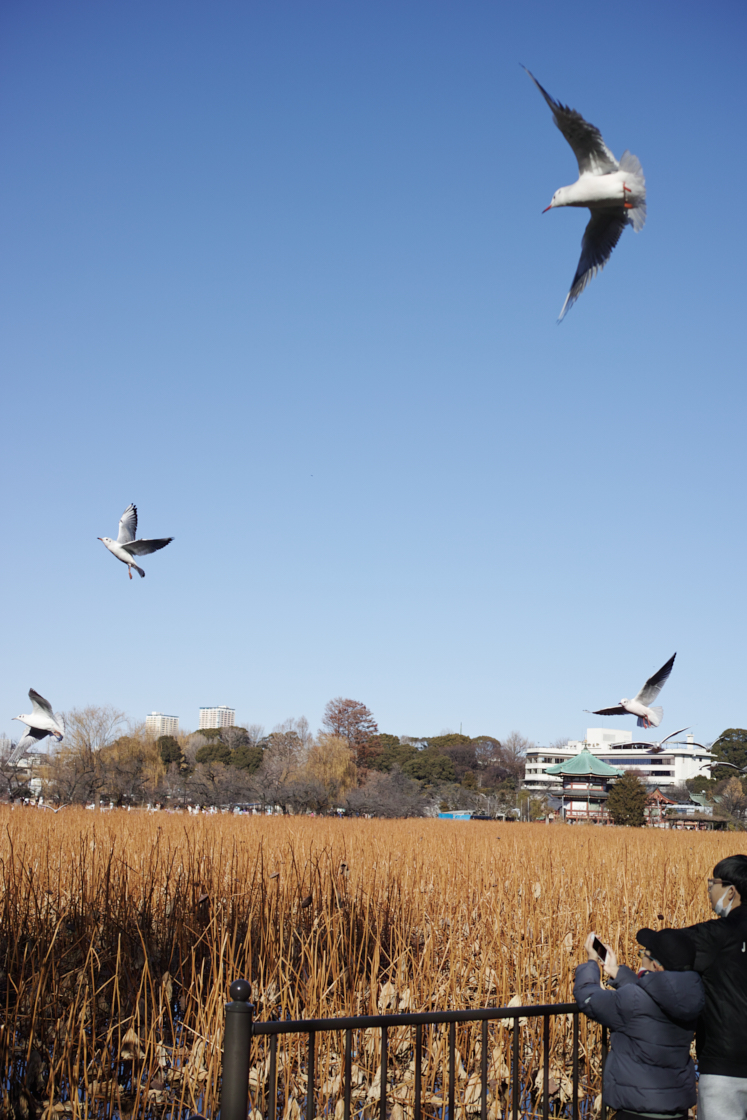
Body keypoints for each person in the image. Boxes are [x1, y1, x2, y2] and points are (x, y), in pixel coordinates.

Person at [574, 927, 704, 1120]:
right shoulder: (692, 997)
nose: (641, 957)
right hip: (677, 1112)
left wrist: (592, 961)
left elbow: (587, 996)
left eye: (644, 954)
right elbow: (657, 993)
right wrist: (616, 972)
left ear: (656, 966)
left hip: (637, 1112)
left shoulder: (634, 1001)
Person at [681, 854, 747, 1120]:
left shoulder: (717, 934)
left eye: (713, 882)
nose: (709, 889)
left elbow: (671, 948)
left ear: (731, 891)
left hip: (725, 1063)